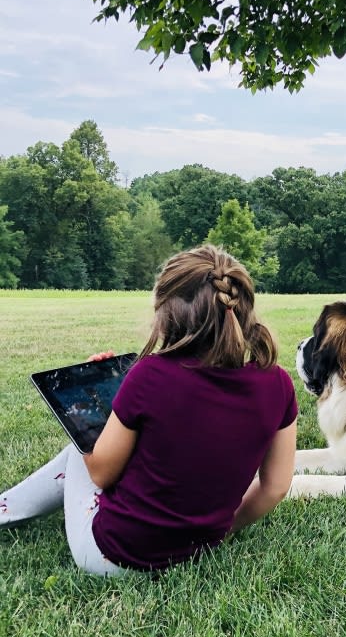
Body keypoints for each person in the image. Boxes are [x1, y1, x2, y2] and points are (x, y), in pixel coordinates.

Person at [0, 245, 297, 576]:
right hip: (198, 549)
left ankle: (4, 510)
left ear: (166, 313)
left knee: (77, 451)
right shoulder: (278, 382)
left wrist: (83, 411)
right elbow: (276, 486)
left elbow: (100, 473)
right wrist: (221, 533)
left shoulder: (150, 376)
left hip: (110, 556)